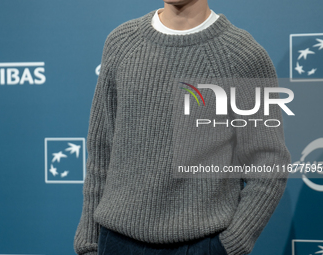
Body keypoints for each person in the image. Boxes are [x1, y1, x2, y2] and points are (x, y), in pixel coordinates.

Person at [74, 0, 291, 254]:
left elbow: (269, 162)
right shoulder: (121, 42)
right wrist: (89, 240)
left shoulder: (243, 55)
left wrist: (231, 244)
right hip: (116, 242)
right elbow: (102, 150)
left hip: (200, 244)